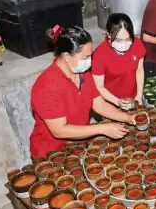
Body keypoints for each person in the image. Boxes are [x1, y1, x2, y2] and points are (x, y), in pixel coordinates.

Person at [30, 26, 137, 159]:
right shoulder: (46, 87)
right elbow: (59, 130)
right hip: (51, 153)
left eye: (90, 56)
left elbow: (99, 105)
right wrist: (103, 129)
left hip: (77, 146)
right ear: (67, 57)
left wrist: (127, 117)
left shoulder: (83, 74)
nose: (90, 62)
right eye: (85, 57)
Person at [92, 13, 146, 109]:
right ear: (109, 35)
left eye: (127, 39)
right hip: (111, 101)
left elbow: (139, 70)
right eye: (119, 40)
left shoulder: (136, 44)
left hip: (134, 97)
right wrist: (117, 102)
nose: (124, 44)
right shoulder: (100, 55)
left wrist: (139, 95)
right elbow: (99, 87)